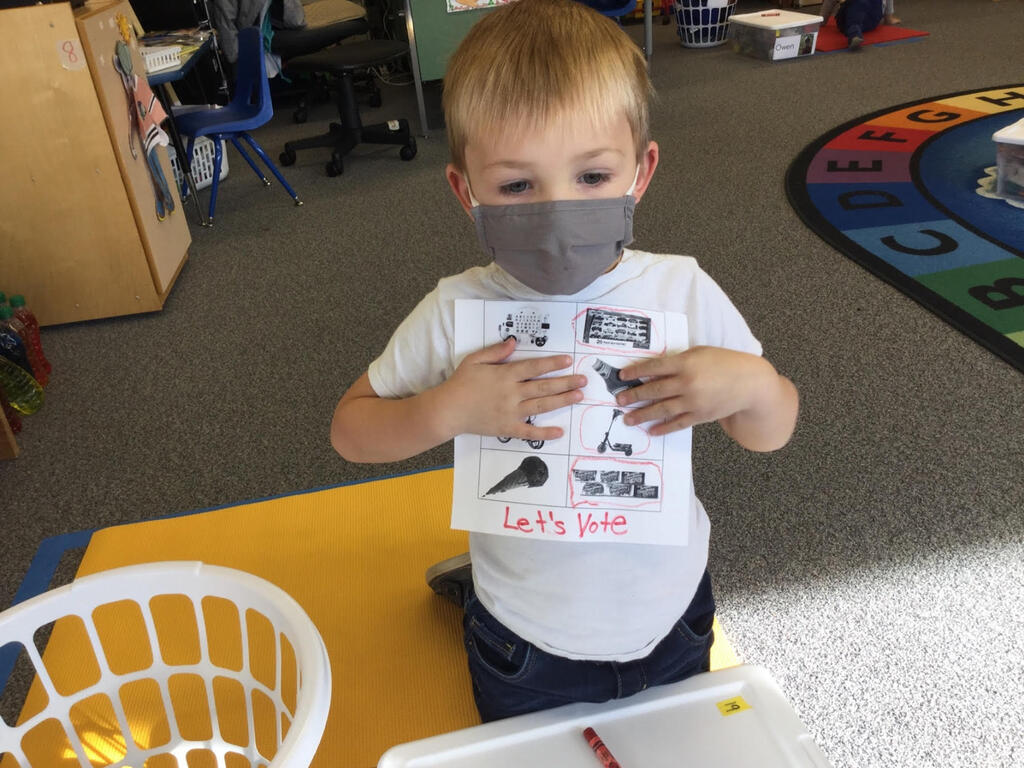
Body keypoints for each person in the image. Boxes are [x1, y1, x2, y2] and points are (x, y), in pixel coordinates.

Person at [330, 0, 799, 723]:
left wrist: (752, 385)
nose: (555, 214)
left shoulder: (680, 290)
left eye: (591, 176)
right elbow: (351, 430)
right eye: (517, 186)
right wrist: (446, 409)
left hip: (673, 617)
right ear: (466, 192)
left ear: (640, 172)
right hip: (523, 639)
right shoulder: (457, 309)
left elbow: (771, 430)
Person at [821, 0, 897, 50]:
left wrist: (822, 20)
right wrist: (821, 20)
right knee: (858, 3)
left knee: (860, 3)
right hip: (852, 18)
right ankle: (854, 32)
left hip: (868, 18)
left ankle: (854, 32)